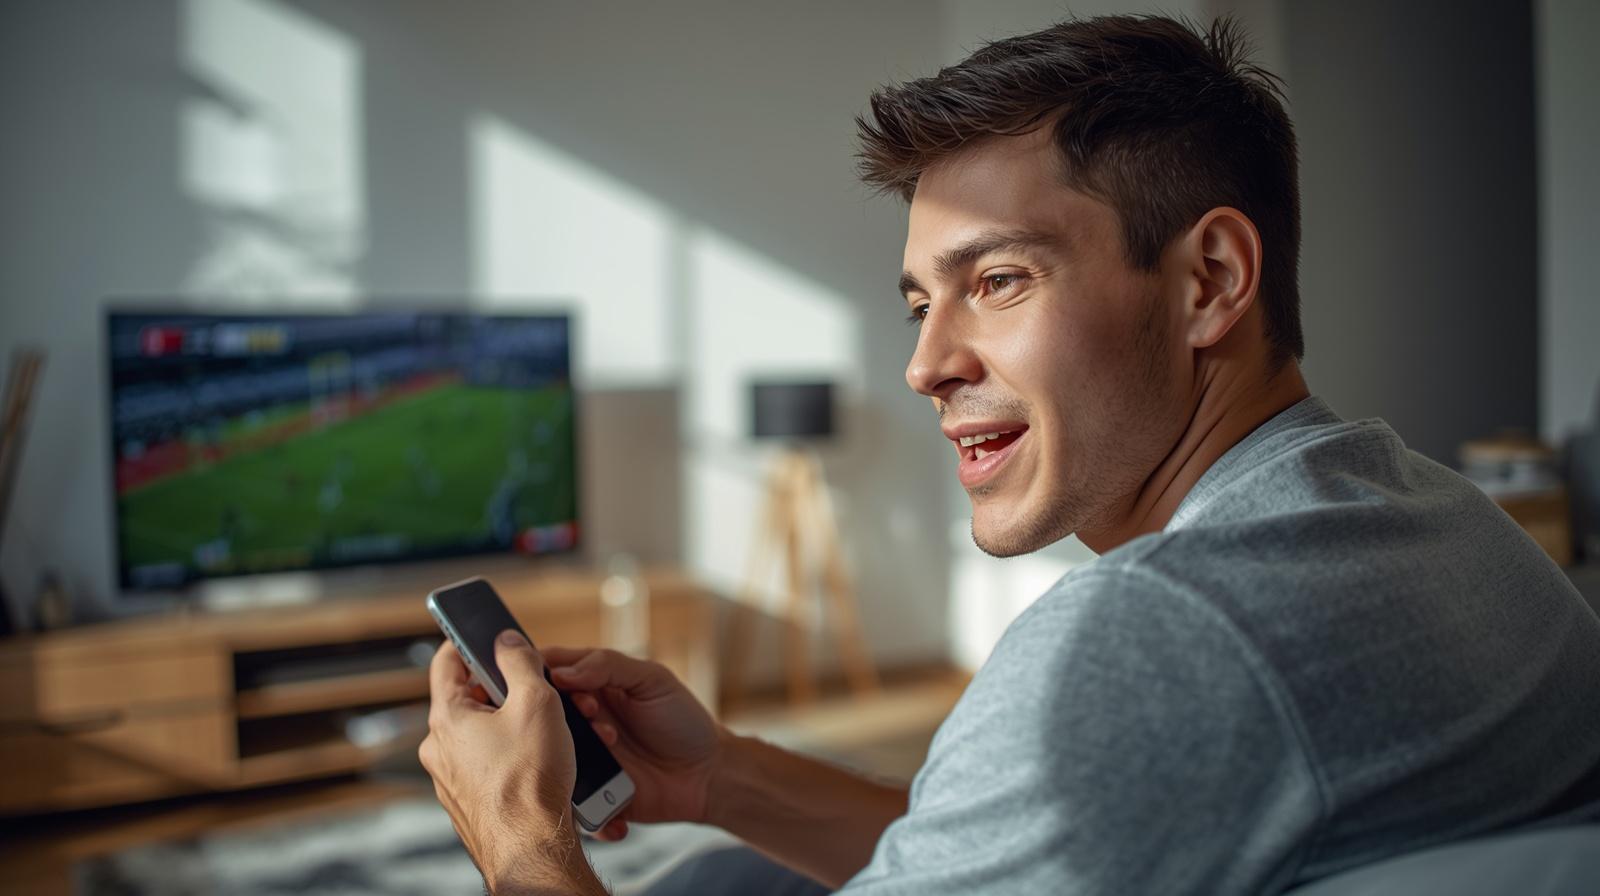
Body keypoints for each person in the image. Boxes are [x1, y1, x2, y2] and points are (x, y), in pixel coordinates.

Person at [419, 14, 1600, 895]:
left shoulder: (1154, 636)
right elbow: (1058, 838)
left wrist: (522, 836)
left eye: (996, 280)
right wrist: (719, 776)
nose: (924, 363)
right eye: (917, 303)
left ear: (1211, 281)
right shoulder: (1426, 507)